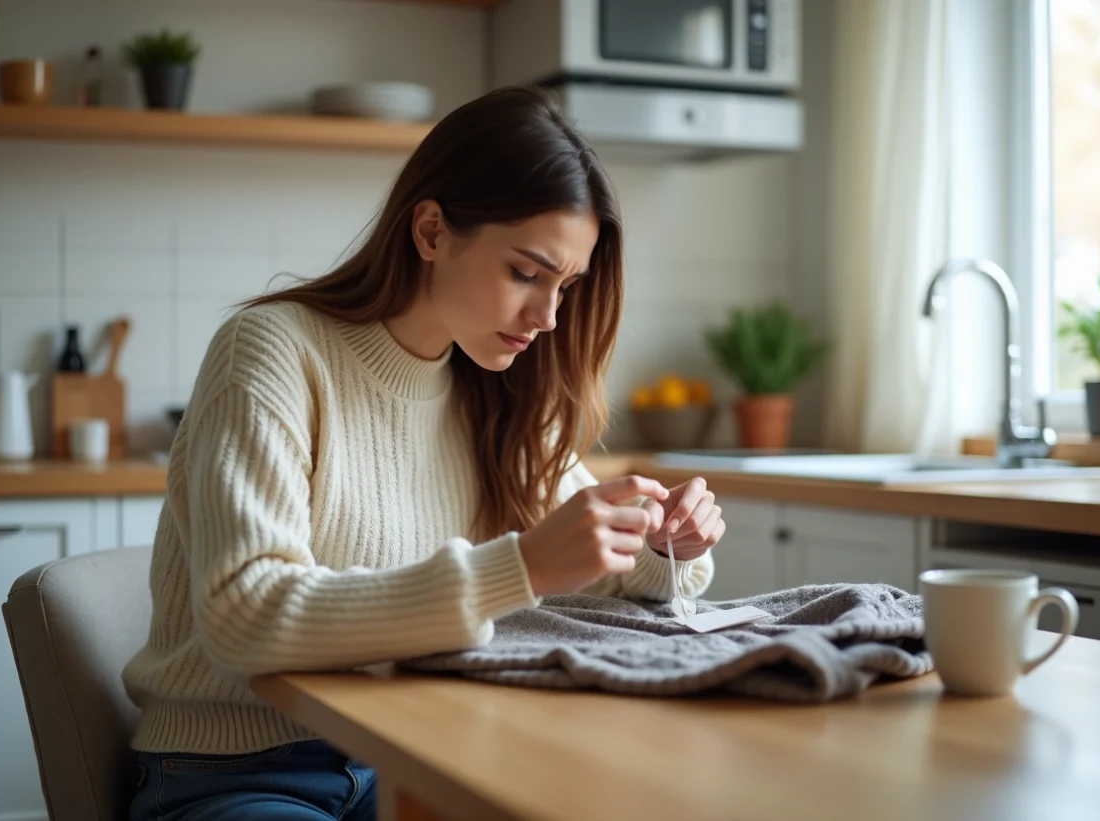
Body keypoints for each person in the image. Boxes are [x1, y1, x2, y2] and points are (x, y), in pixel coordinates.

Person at [124, 85, 725, 821]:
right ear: (433, 230)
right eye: (526, 272)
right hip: (236, 771)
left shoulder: (499, 395)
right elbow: (244, 618)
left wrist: (666, 543)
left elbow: (604, 562)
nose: (547, 316)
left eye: (566, 286)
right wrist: (524, 566)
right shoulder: (275, 351)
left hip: (416, 751)